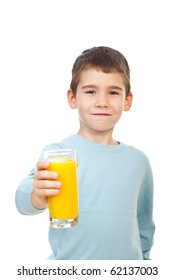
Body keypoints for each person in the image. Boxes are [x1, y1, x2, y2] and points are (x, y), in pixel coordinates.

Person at [15, 46, 155, 260]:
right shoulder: (59, 154)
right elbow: (22, 202)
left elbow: (144, 224)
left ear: (127, 100)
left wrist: (144, 264)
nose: (102, 101)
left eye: (113, 92)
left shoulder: (139, 162)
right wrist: (38, 196)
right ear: (73, 98)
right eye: (91, 91)